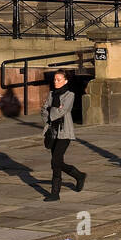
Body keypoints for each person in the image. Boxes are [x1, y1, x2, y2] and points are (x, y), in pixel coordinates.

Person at [42, 70, 86, 201]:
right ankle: (78, 176)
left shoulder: (70, 95)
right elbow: (43, 110)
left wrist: (51, 110)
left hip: (64, 132)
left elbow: (62, 111)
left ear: (65, 81)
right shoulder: (51, 94)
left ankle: (55, 192)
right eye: (55, 79)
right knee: (57, 163)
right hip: (52, 131)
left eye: (59, 79)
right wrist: (51, 111)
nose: (56, 82)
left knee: (55, 162)